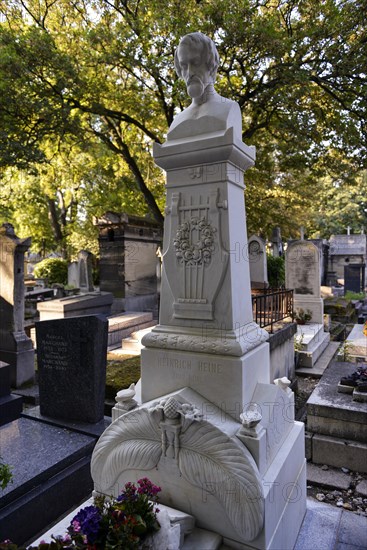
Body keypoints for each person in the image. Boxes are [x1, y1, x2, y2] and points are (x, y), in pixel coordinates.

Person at [167, 32, 242, 141]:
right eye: (184, 65)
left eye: (196, 63)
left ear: (210, 64)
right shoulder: (177, 121)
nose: (189, 72)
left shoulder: (229, 109)